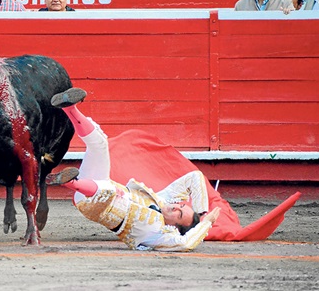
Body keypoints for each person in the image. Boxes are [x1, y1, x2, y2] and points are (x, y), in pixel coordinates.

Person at [45, 88, 221, 251]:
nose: (176, 207)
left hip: (92, 203)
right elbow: (194, 177)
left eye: (179, 214)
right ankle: (69, 108)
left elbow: (186, 243)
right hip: (96, 184)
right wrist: (202, 214)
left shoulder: (159, 235)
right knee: (100, 143)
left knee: (112, 192)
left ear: (174, 227)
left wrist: (207, 224)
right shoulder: (164, 200)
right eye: (181, 205)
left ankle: (70, 182)